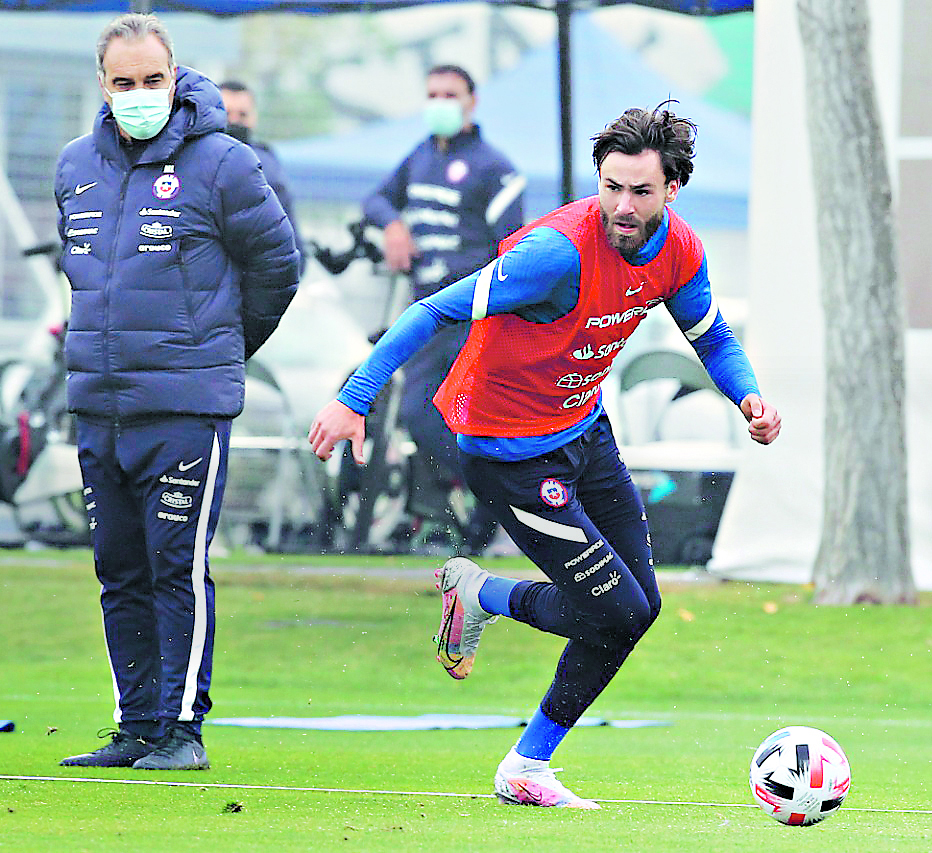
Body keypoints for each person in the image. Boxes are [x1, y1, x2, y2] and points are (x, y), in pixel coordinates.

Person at [310, 103, 781, 807]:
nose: (623, 205)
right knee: (616, 612)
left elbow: (710, 336)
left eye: (641, 191)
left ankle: (528, 765)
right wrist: (354, 397)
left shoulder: (679, 249)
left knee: (638, 607)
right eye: (611, 186)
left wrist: (749, 398)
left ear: (672, 190)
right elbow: (432, 310)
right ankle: (480, 595)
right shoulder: (555, 254)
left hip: (584, 432)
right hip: (509, 454)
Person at [54, 13, 299, 770]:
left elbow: (277, 269)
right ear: (103, 85)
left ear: (174, 76)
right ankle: (136, 725)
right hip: (100, 403)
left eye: (151, 80)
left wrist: (218, 352)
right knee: (117, 567)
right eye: (123, 83)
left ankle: (183, 728)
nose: (138, 94)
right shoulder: (72, 166)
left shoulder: (224, 163)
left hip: (188, 407)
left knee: (175, 564)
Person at [362, 64, 525, 552]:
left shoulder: (495, 168)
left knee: (429, 411)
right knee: (426, 414)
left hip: (468, 311)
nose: (439, 102)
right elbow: (375, 199)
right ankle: (489, 503)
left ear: (472, 101)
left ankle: (494, 499)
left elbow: (512, 248)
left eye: (449, 94)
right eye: (431, 93)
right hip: (423, 308)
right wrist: (393, 225)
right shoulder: (420, 156)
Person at [218, 79, 303, 266]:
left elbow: (289, 235)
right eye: (227, 113)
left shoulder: (268, 167)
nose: (234, 121)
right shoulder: (192, 159)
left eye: (242, 115)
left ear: (254, 117)